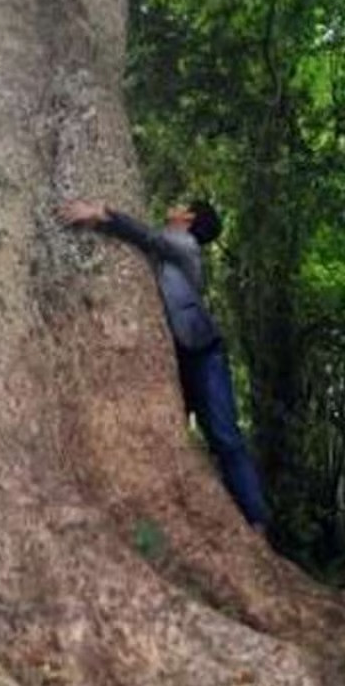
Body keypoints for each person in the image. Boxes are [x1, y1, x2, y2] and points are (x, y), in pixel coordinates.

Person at [58, 196, 268, 531]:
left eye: (182, 204)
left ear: (187, 218)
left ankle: (257, 518)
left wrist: (103, 213)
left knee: (225, 436)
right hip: (178, 357)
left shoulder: (184, 245)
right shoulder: (174, 248)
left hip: (203, 352)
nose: (172, 204)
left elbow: (149, 238)